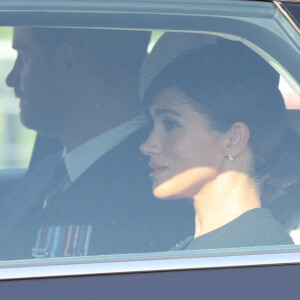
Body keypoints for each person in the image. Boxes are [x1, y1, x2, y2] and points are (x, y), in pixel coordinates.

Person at [0, 28, 194, 259]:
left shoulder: (156, 191)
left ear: (67, 62)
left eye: (25, 58)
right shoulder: (50, 170)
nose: (10, 78)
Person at [140, 33, 300, 250]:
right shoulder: (240, 248)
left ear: (234, 139)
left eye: (171, 125)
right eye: (153, 125)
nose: (147, 145)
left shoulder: (247, 258)